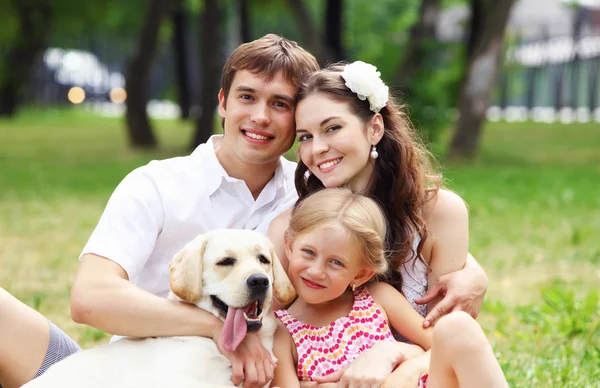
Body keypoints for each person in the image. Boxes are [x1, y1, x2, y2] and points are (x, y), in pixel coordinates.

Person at [0, 33, 320, 388]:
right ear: (223, 103)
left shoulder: (310, 199)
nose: (260, 116)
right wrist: (221, 330)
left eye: (280, 104)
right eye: (247, 97)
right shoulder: (157, 183)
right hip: (124, 372)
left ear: (299, 117)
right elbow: (90, 298)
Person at [267, 61, 488, 385]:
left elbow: (448, 341)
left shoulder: (440, 212)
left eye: (332, 128)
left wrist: (392, 356)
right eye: (305, 137)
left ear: (374, 128)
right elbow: (270, 335)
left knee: (457, 329)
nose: (317, 149)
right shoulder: (294, 228)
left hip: (421, 376)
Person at [271, 188, 508, 388]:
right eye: (308, 252)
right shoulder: (281, 330)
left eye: (336, 262)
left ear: (362, 273)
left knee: (458, 326)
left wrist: (408, 368)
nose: (316, 271)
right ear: (290, 246)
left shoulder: (376, 297)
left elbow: (438, 347)